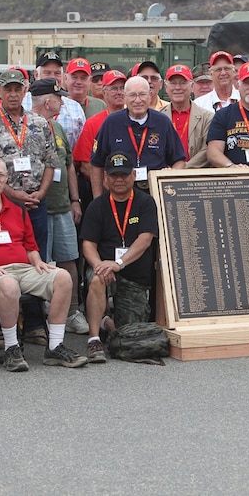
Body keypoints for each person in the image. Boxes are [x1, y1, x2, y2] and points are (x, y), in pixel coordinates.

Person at [0, 156, 87, 370]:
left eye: (0, 175)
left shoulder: (18, 209)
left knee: (62, 277)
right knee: (8, 284)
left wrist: (37, 261)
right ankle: (11, 348)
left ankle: (55, 346)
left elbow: (30, 247)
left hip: (23, 269)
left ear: (7, 177)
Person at [80, 152, 160, 363]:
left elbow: (145, 240)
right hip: (104, 271)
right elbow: (88, 243)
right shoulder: (97, 206)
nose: (119, 180)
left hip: (134, 273)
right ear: (105, 178)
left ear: (134, 175)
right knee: (96, 281)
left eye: (124, 175)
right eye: (114, 175)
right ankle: (94, 339)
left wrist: (118, 263)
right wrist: (99, 266)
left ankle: (106, 322)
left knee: (128, 337)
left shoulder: (146, 202)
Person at [0, 68, 58, 258]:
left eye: (17, 89)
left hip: (36, 203)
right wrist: (14, 195)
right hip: (3, 204)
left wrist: (41, 193)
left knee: (39, 256)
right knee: (9, 256)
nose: (13, 94)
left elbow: (51, 162)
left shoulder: (40, 123)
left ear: (25, 91)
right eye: (8, 89)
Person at [29, 79, 89, 334]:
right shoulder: (26, 127)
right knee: (39, 263)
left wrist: (75, 200)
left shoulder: (58, 128)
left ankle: (72, 311)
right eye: (59, 98)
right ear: (47, 101)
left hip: (63, 206)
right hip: (37, 206)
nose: (63, 102)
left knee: (69, 259)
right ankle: (41, 315)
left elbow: (69, 166)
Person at [89, 75, 186, 197]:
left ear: (150, 96)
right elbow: (96, 163)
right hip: (120, 195)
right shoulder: (111, 123)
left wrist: (170, 174)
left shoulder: (163, 122)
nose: (138, 100)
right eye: (132, 95)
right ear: (125, 97)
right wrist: (98, 200)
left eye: (142, 94)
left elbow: (179, 160)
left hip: (155, 193)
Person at [73, 69, 127, 187]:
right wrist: (108, 187)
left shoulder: (134, 120)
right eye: (114, 88)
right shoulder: (93, 123)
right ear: (104, 92)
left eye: (122, 88)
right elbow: (85, 165)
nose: (119, 92)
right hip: (103, 189)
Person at [160, 64, 214, 169]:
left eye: (183, 83)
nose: (177, 87)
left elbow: (207, 149)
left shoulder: (207, 117)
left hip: (196, 177)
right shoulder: (158, 117)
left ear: (192, 86)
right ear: (166, 87)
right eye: (173, 83)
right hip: (165, 175)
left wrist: (182, 169)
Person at [30, 52, 87, 149]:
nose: (52, 77)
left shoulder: (75, 108)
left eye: (57, 73)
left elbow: (81, 148)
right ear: (36, 74)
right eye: (47, 73)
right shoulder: (21, 103)